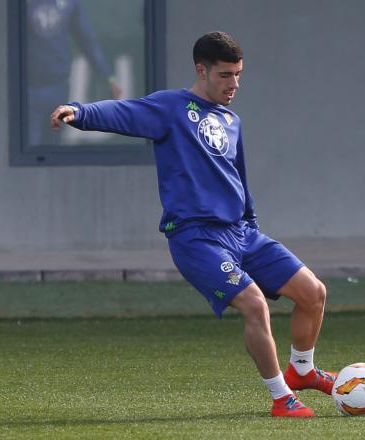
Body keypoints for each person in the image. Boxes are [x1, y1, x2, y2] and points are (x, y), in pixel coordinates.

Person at [50, 31, 335, 417]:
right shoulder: (171, 108)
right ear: (201, 70)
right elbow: (124, 112)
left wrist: (250, 220)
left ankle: (302, 371)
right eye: (224, 75)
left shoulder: (232, 120)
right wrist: (78, 112)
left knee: (313, 292)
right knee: (255, 306)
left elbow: (238, 176)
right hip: (196, 239)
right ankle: (281, 397)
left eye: (238, 75)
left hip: (242, 232)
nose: (234, 84)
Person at [28, 0, 121, 145]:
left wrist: (107, 76)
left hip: (58, 86)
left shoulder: (70, 3)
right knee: (27, 147)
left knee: (53, 148)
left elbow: (87, 40)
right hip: (28, 89)